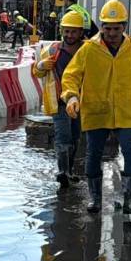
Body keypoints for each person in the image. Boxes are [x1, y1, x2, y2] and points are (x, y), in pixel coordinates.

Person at [61, 0, 131, 214]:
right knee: (94, 153)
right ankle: (95, 200)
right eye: (107, 28)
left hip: (126, 111)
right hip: (96, 110)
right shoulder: (89, 49)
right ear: (101, 27)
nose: (111, 33)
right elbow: (71, 76)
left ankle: (130, 200)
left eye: (116, 28)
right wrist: (72, 97)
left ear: (124, 27)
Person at [33, 10, 86, 189]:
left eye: (73, 31)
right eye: (66, 31)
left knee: (75, 136)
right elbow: (37, 72)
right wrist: (40, 66)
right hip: (59, 102)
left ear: (81, 32)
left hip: (80, 102)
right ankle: (63, 172)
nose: (69, 35)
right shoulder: (53, 50)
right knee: (63, 136)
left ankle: (69, 170)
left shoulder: (87, 51)